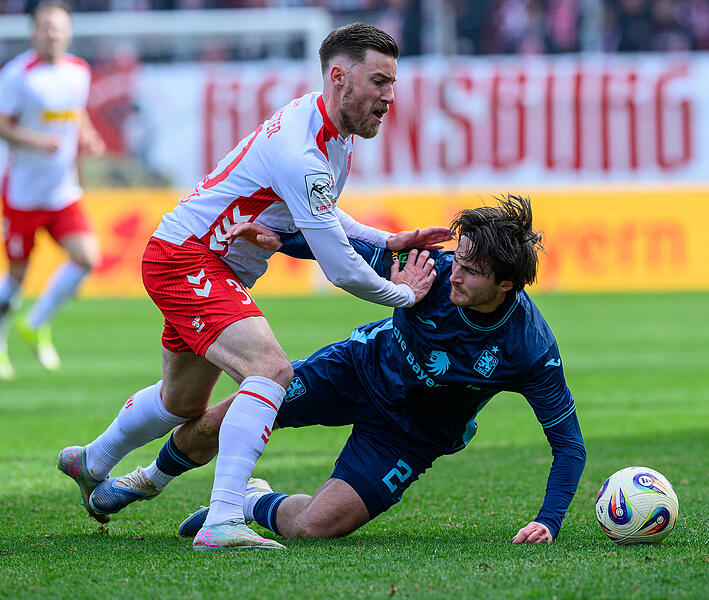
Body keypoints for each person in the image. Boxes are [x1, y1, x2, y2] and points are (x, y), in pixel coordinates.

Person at [56, 22, 448, 549]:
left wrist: (388, 238)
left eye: (392, 83)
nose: (390, 97)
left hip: (207, 264)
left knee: (181, 403)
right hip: (187, 259)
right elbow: (342, 269)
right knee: (271, 370)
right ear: (339, 76)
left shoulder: (330, 133)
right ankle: (222, 520)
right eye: (379, 82)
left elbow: (324, 215)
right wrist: (405, 295)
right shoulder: (301, 150)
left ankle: (93, 460)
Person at [90, 195, 587, 550]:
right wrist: (277, 239)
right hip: (354, 369)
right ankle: (147, 479)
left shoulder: (530, 348)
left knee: (313, 528)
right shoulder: (428, 267)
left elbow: (569, 445)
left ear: (505, 284)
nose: (453, 273)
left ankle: (251, 502)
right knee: (227, 417)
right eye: (457, 259)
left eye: (470, 271)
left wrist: (549, 520)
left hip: (412, 434)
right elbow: (337, 248)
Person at [0, 1, 106, 380]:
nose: (53, 33)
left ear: (69, 31)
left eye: (59, 27)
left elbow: (77, 113)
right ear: (33, 32)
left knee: (87, 258)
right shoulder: (18, 76)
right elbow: (3, 125)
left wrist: (89, 137)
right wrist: (35, 140)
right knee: (15, 278)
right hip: (23, 194)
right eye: (45, 27)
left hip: (62, 190)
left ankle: (37, 322)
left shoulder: (79, 71)